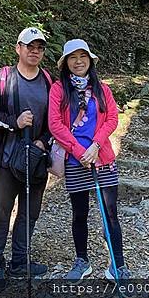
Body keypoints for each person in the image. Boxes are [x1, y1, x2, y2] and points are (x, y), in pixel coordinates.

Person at [48, 39, 131, 283]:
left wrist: (95, 146)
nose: (78, 61)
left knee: (111, 213)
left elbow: (112, 118)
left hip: (102, 158)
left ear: (90, 60)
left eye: (83, 56)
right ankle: (82, 260)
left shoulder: (102, 88)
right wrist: (78, 151)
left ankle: (118, 264)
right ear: (66, 63)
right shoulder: (58, 89)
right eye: (73, 57)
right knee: (79, 213)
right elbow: (55, 124)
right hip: (76, 162)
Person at [0, 27, 53, 292]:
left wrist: (43, 141)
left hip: (35, 159)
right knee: (0, 212)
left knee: (29, 213)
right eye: (29, 46)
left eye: (39, 47)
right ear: (18, 48)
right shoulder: (3, 77)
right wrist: (14, 122)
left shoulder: (47, 80)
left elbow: (54, 122)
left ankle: (20, 261)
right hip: (6, 158)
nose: (34, 51)